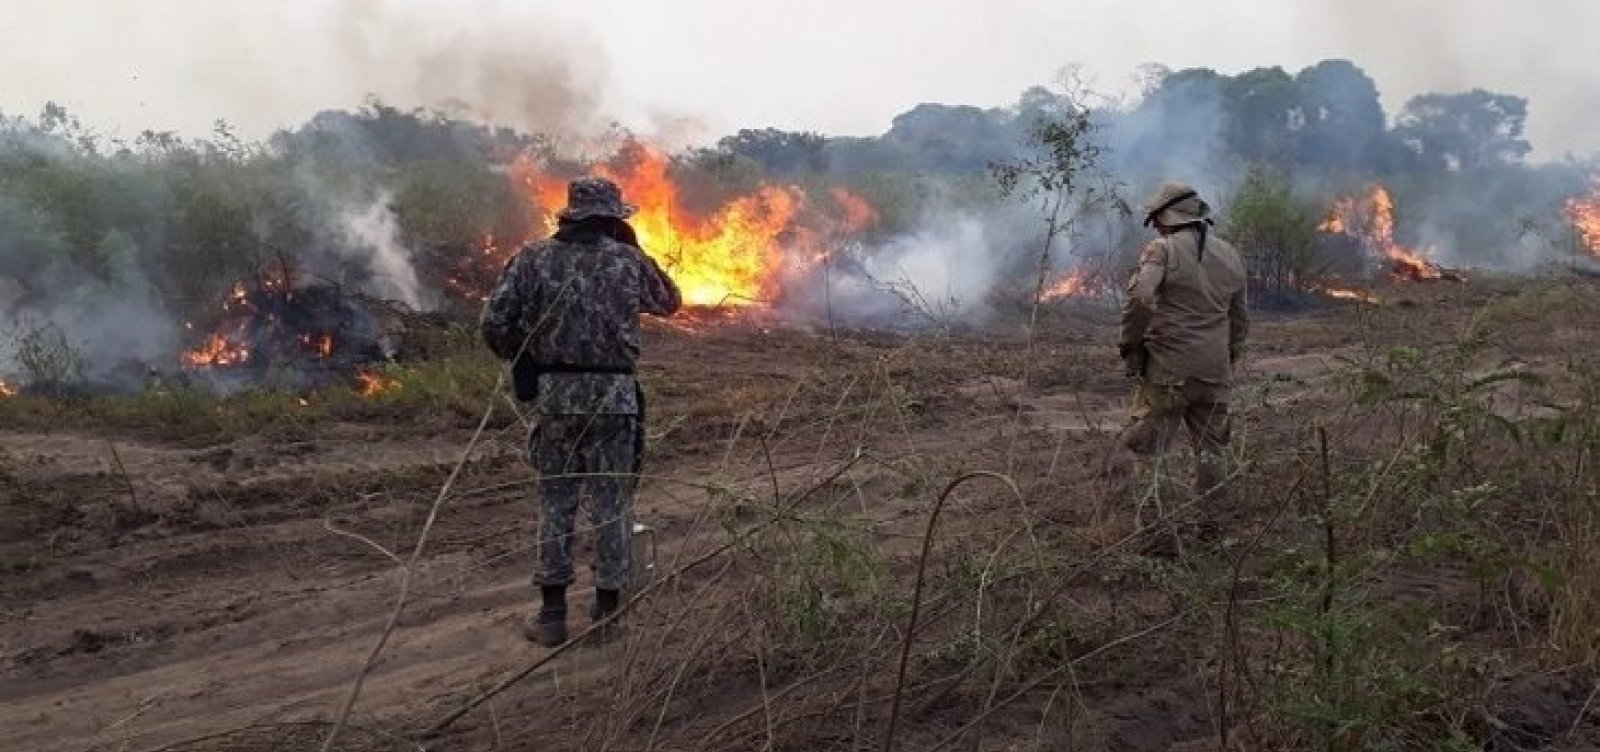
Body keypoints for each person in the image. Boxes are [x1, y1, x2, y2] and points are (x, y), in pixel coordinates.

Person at [481, 176, 682, 646]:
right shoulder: (627, 261)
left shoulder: (532, 258)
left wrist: (522, 356)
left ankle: (552, 616)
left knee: (556, 502)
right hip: (614, 398)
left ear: (571, 214)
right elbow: (670, 301)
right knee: (612, 504)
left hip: (555, 396)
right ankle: (607, 616)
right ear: (612, 218)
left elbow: (494, 322)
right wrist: (634, 248)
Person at [1119, 181, 1249, 514]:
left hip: (1168, 371)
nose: (1156, 226)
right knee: (1212, 453)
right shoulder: (1230, 255)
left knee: (1149, 452)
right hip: (1214, 372)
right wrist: (1227, 359)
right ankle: (1213, 532)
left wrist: (1131, 345)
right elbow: (1239, 321)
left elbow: (1140, 297)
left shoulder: (1161, 250)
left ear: (1166, 216)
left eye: (1156, 218)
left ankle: (1157, 542)